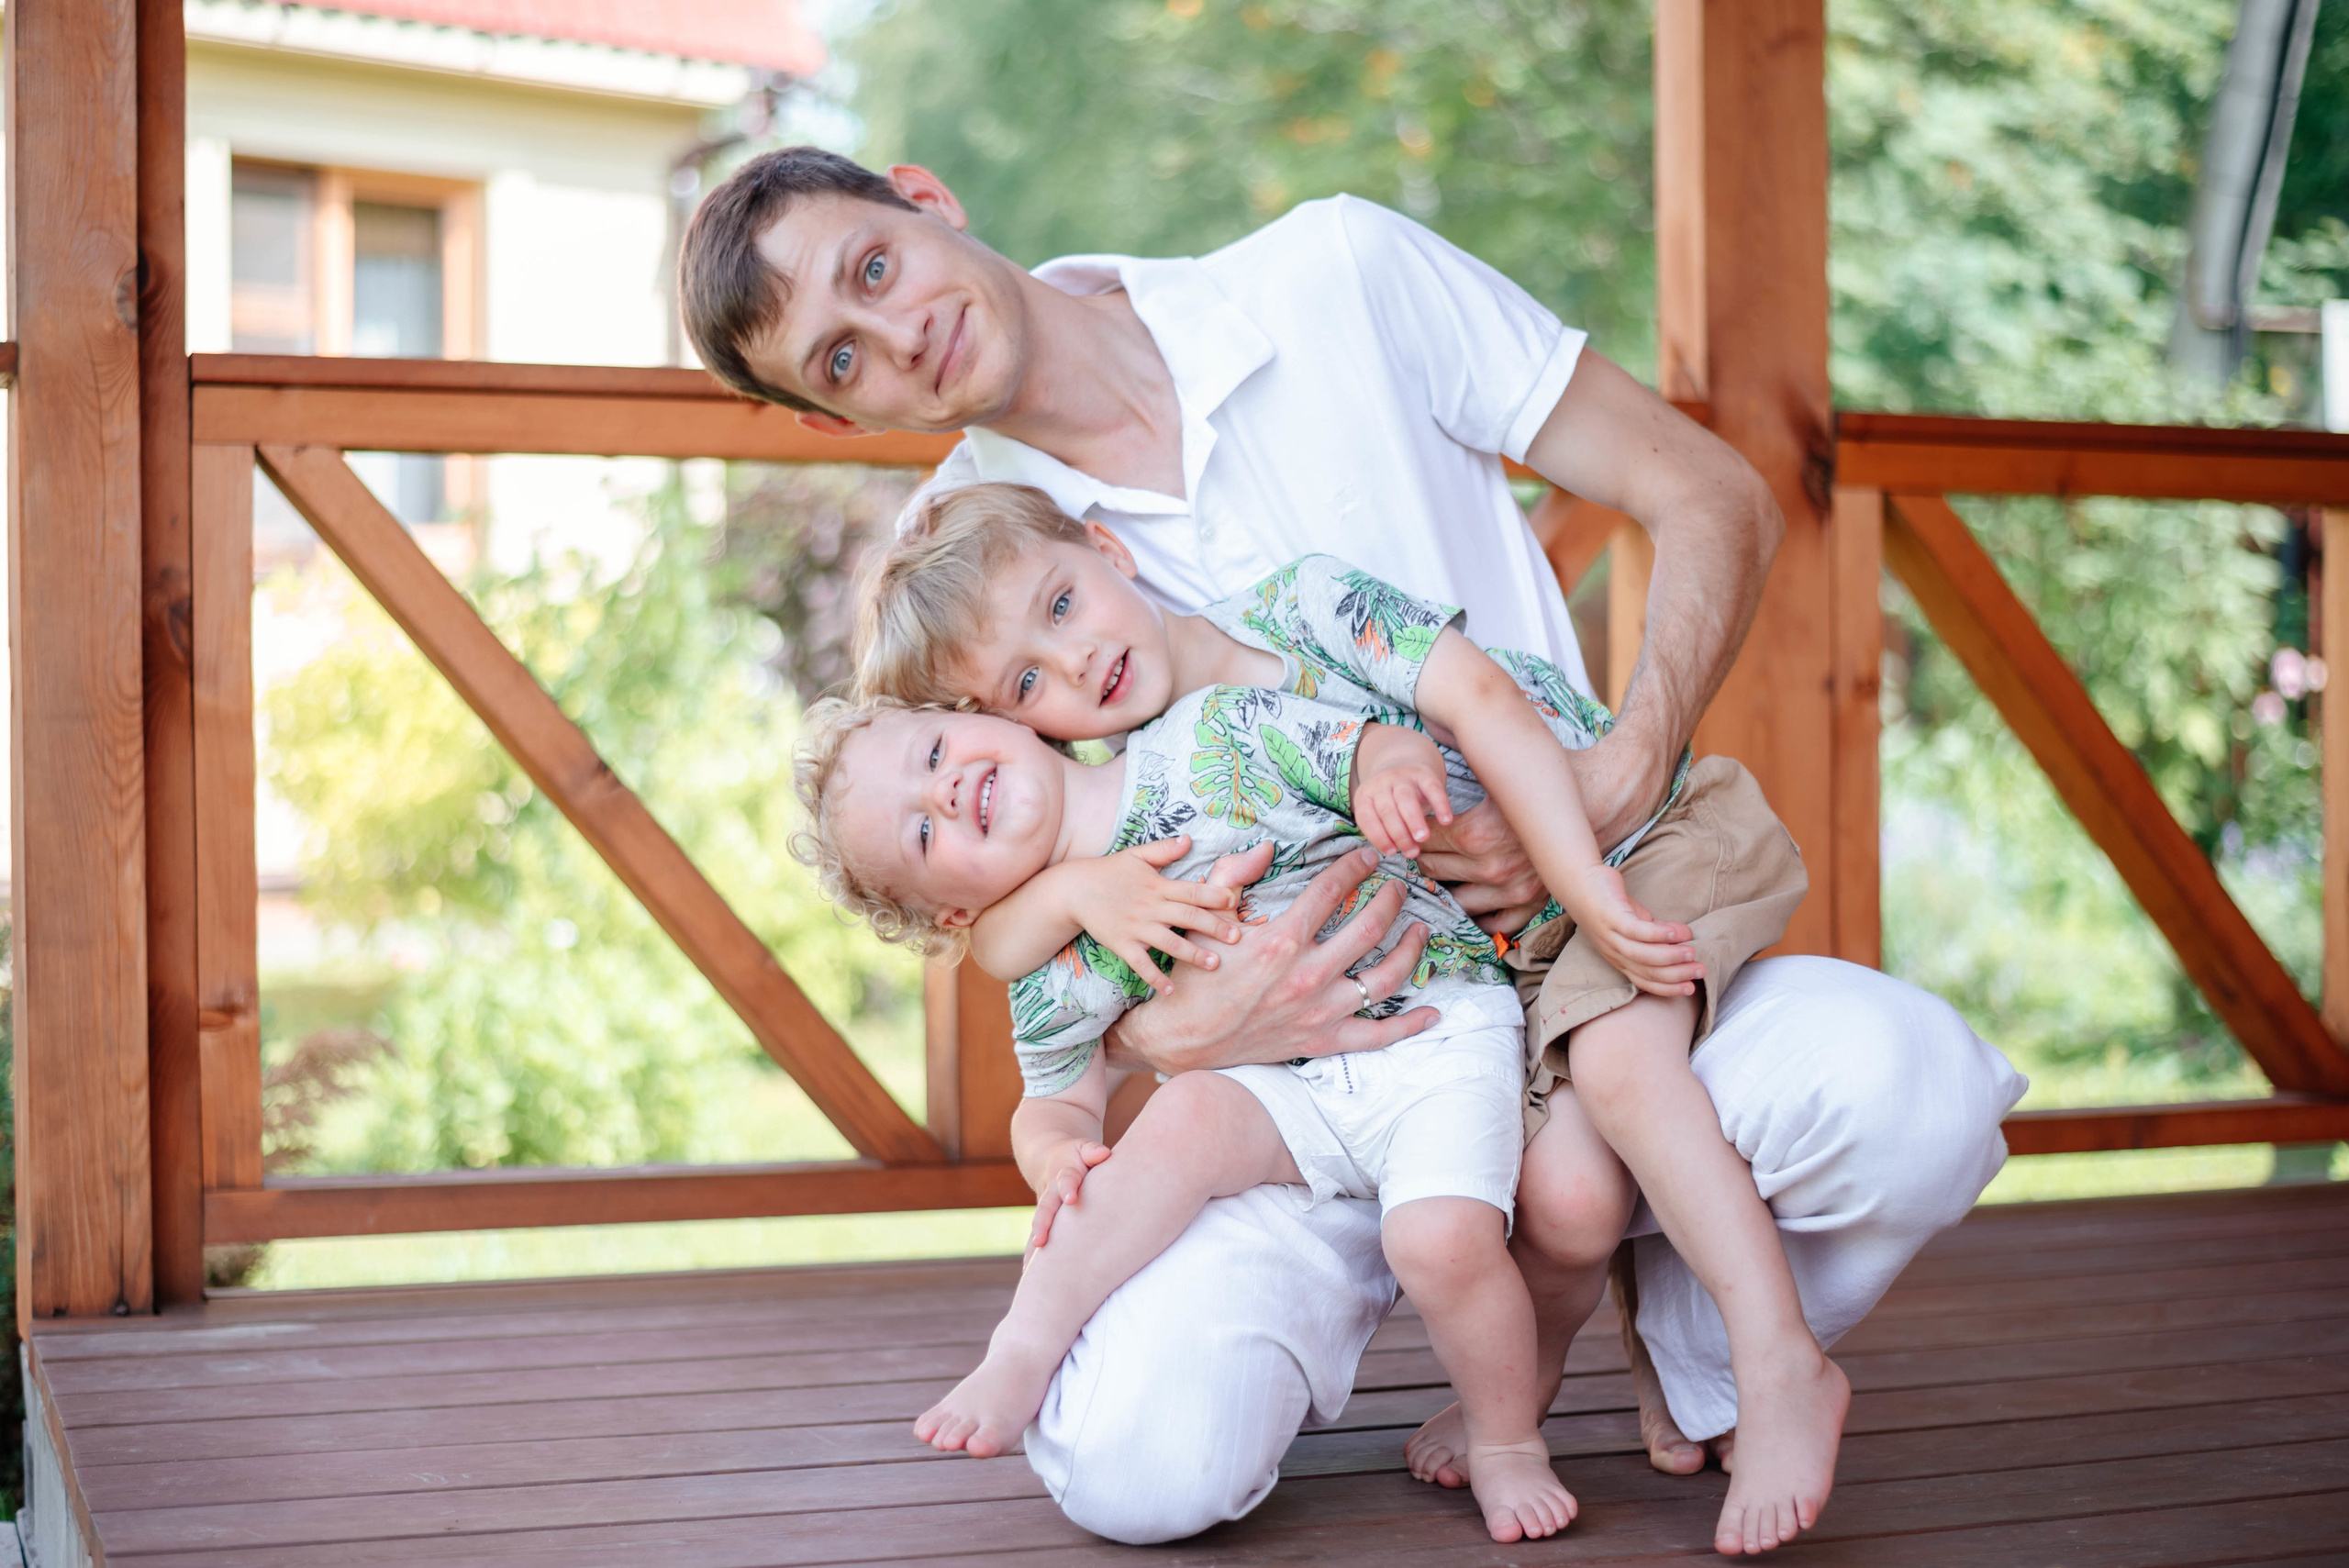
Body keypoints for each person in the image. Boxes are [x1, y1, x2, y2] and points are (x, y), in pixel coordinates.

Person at [679, 147, 2028, 1548]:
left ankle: (1690, 1337)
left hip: (1581, 968)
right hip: (1311, 1089)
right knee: (1139, 1467)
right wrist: (1182, 1031)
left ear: (923, 198)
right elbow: (994, 899)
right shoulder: (950, 564)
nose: (897, 335)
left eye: (876, 267)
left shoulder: (1338, 274)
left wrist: (1613, 780)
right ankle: (1516, 1283)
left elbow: (1712, 493)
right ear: (837, 421)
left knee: (1914, 1095)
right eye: (841, 359)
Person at [850, 480, 1841, 1553]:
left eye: (1059, 608)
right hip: (1504, 964)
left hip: (1621, 840)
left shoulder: (1300, 615)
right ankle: (1524, 1400)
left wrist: (1584, 884)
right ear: (1021, 719)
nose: (1076, 660)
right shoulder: (1136, 793)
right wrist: (1056, 931)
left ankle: (1776, 1355)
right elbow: (1017, 953)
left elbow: (1478, 712)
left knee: (1619, 1075)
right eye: (1031, 679)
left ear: (1107, 549)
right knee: (1565, 1199)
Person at [795, 685, 1582, 1543]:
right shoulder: (1055, 961)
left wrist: (1390, 767)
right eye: (921, 832)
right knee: (1178, 1123)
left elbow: (1354, 749)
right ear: (953, 911)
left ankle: (1506, 1439)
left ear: (992, 714)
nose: (942, 791)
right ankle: (1022, 1348)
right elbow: (1054, 1099)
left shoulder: (1208, 733)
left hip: (1436, 1026)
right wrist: (1057, 1152)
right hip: (1285, 1092)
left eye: (936, 750)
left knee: (1439, 1239)